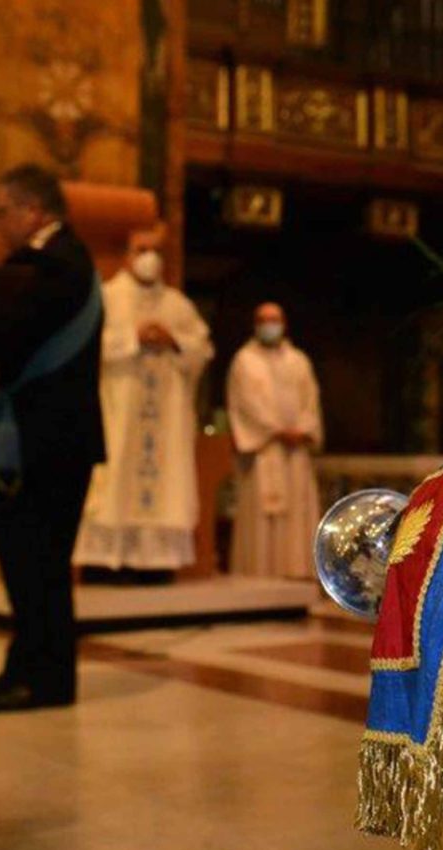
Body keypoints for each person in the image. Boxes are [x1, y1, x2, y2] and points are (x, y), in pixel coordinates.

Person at [0, 163, 105, 714]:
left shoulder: (50, 265)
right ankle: (26, 667)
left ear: (34, 211)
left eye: (2, 211)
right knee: (31, 562)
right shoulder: (63, 259)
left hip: (44, 440)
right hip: (53, 438)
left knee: (36, 562)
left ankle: (45, 681)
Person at [73, 225, 213, 584]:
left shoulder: (177, 304)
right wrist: (133, 338)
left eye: (156, 251)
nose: (150, 257)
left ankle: (154, 565)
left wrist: (173, 340)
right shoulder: (107, 297)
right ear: (126, 256)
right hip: (119, 411)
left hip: (164, 416)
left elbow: (202, 349)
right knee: (114, 480)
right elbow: (87, 347)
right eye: (141, 249)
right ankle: (105, 564)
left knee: (164, 485)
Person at [226, 302, 325, 579]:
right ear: (255, 324)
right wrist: (277, 430)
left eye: (275, 319)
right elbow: (245, 404)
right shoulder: (244, 361)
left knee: (297, 515)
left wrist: (302, 429)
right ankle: (259, 577)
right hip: (263, 451)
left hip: (295, 452)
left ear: (284, 324)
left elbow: (311, 402)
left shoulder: (299, 361)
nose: (270, 325)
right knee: (262, 519)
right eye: (264, 320)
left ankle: (297, 575)